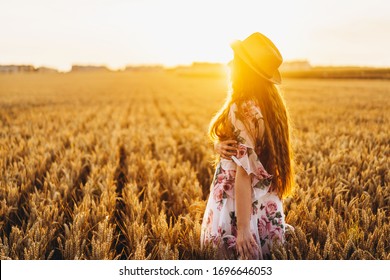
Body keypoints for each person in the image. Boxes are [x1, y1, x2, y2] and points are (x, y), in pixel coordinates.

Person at [200, 32, 295, 260]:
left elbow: (244, 173)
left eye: (235, 59)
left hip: (238, 207)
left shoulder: (241, 107)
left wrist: (243, 229)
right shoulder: (270, 106)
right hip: (264, 206)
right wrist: (219, 146)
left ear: (244, 69)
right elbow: (247, 150)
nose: (229, 63)